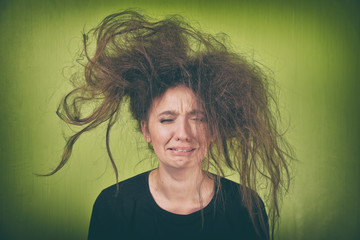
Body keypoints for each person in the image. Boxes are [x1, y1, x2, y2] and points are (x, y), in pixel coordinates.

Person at [51, 10, 292, 240]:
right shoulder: (114, 205)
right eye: (167, 119)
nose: (183, 134)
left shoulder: (245, 206)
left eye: (198, 119)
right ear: (146, 130)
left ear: (214, 130)